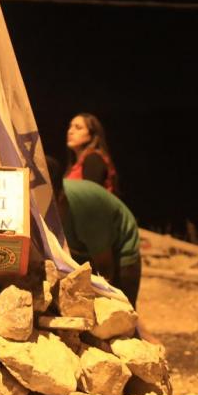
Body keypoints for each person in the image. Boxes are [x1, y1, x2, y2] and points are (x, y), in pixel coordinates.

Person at [49, 159, 142, 305]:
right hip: (81, 247)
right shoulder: (44, 202)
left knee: (120, 307)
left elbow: (105, 269)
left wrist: (104, 303)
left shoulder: (86, 210)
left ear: (60, 196)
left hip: (119, 249)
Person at [64, 113, 120, 194]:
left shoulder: (93, 159)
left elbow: (91, 196)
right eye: (70, 127)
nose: (70, 131)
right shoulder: (76, 164)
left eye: (78, 128)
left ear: (91, 135)